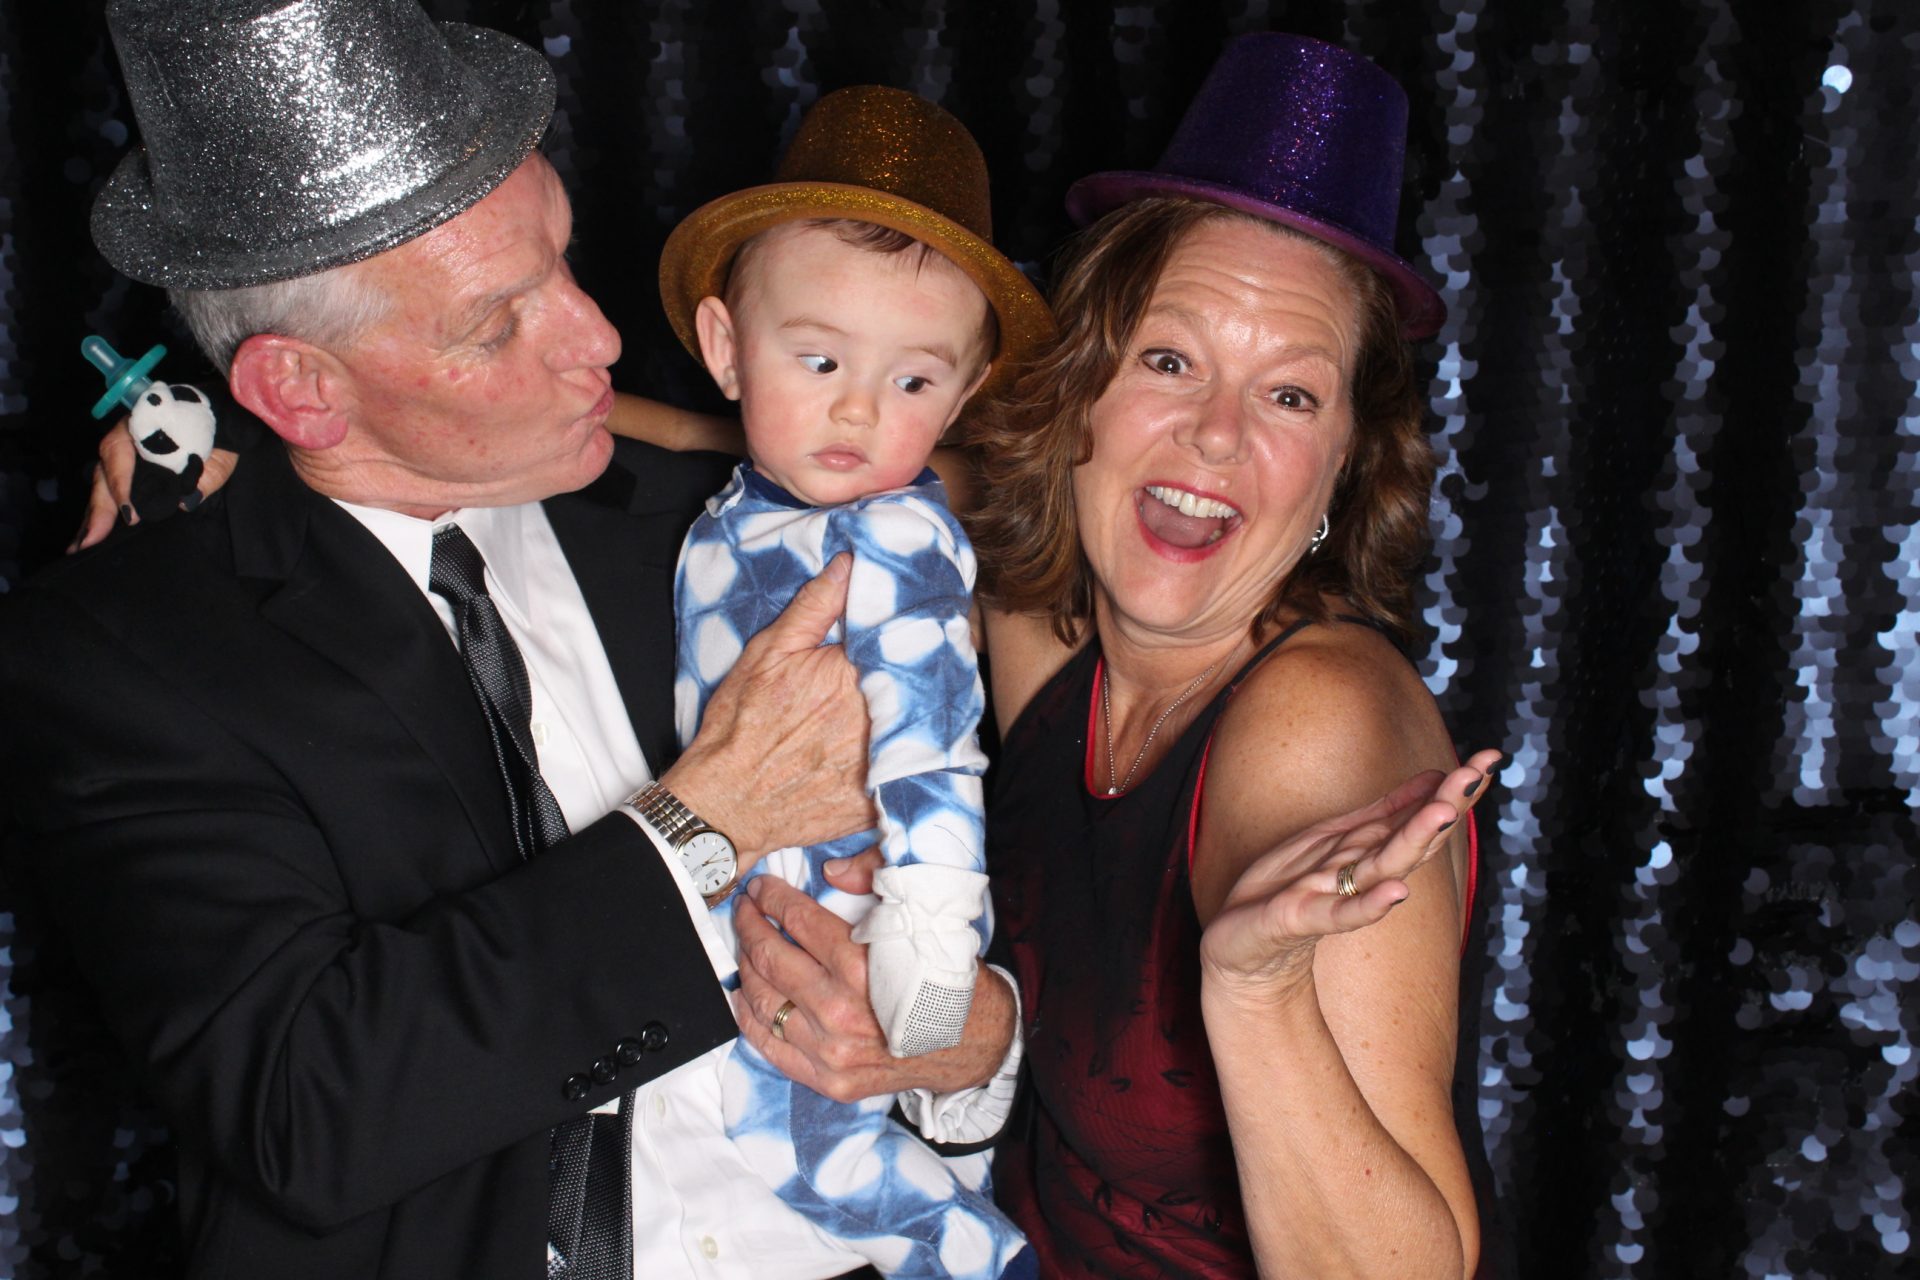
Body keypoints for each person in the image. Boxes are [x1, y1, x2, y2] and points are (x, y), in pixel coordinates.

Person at [1, 2, 1015, 1278]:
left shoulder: (718, 532)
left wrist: (974, 1047)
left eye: (567, 264)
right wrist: (701, 819)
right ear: (297, 389)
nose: (596, 337)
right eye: (499, 323)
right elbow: (305, 1107)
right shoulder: (120, 651)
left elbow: (953, 795)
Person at [968, 34, 1494, 1276]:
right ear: (1078, 391)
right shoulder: (1044, 622)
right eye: (1168, 358)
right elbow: (813, 439)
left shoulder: (1315, 715)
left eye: (1291, 395)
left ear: (1341, 472)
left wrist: (1254, 997)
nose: (1212, 436)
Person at [650, 85, 1051, 1279]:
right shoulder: (724, 516)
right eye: (820, 358)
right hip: (730, 906)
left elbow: (935, 737)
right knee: (774, 1141)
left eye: (916, 383)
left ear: (967, 395)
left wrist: (927, 937)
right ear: (727, 348)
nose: (861, 409)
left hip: (873, 913)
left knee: (828, 1153)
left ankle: (977, 1255)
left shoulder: (902, 537)